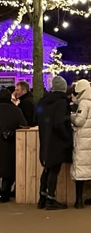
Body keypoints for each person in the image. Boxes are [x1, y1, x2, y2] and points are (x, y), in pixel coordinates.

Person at [0, 89, 29, 202]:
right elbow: (24, 125)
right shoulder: (16, 110)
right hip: (10, 143)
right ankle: (5, 193)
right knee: (7, 169)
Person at [37, 76, 73, 210]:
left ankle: (42, 197)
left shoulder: (43, 101)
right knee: (54, 169)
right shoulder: (61, 102)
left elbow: (38, 118)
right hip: (57, 141)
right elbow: (59, 122)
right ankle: (51, 200)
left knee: (47, 169)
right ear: (63, 89)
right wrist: (67, 137)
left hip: (45, 139)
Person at [72, 79, 91, 208]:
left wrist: (71, 116)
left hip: (83, 139)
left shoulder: (84, 103)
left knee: (80, 170)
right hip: (89, 139)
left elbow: (79, 121)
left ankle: (78, 201)